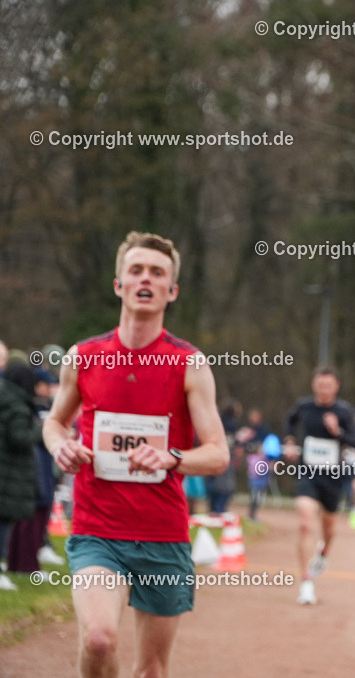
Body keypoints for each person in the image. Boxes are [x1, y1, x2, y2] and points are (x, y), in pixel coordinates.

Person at [42, 231, 229, 677]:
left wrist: (172, 458)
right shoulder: (83, 357)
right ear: (119, 284)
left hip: (162, 535)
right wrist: (60, 447)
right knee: (100, 639)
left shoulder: (189, 364)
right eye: (136, 270)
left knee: (151, 669)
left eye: (157, 273)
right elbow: (53, 423)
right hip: (97, 530)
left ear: (172, 290)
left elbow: (218, 453)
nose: (146, 279)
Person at [283, 366, 355, 605]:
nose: (324, 389)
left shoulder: (344, 411)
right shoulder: (304, 406)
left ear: (336, 387)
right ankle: (306, 582)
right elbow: (289, 421)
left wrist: (336, 431)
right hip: (308, 472)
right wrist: (288, 441)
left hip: (332, 476)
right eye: (320, 385)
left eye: (328, 385)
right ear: (314, 385)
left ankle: (324, 551)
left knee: (328, 529)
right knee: (305, 523)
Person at [0, 360, 40, 591]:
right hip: (8, 475)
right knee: (3, 523)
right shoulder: (17, 406)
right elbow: (20, 438)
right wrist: (40, 429)